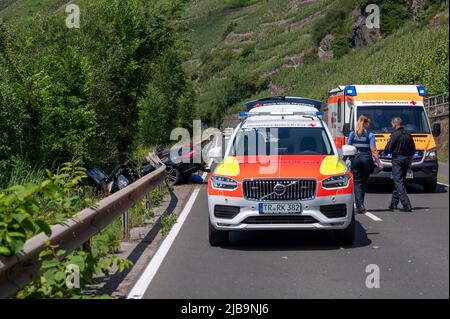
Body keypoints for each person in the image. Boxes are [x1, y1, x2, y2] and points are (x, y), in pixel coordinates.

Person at [347, 115, 383, 214]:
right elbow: (373, 150)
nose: (370, 125)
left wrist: (344, 161)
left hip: (355, 159)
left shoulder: (352, 134)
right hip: (366, 160)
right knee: (364, 182)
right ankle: (360, 204)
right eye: (369, 124)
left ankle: (360, 205)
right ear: (366, 124)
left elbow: (348, 148)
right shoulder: (370, 135)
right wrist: (379, 163)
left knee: (357, 182)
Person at [385, 117, 416, 212]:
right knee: (400, 181)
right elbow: (413, 150)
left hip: (397, 159)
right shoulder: (408, 135)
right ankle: (393, 204)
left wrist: (386, 150)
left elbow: (388, 149)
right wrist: (410, 161)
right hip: (407, 159)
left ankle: (407, 204)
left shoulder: (394, 135)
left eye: (392, 124)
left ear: (395, 124)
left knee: (398, 181)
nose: (392, 125)